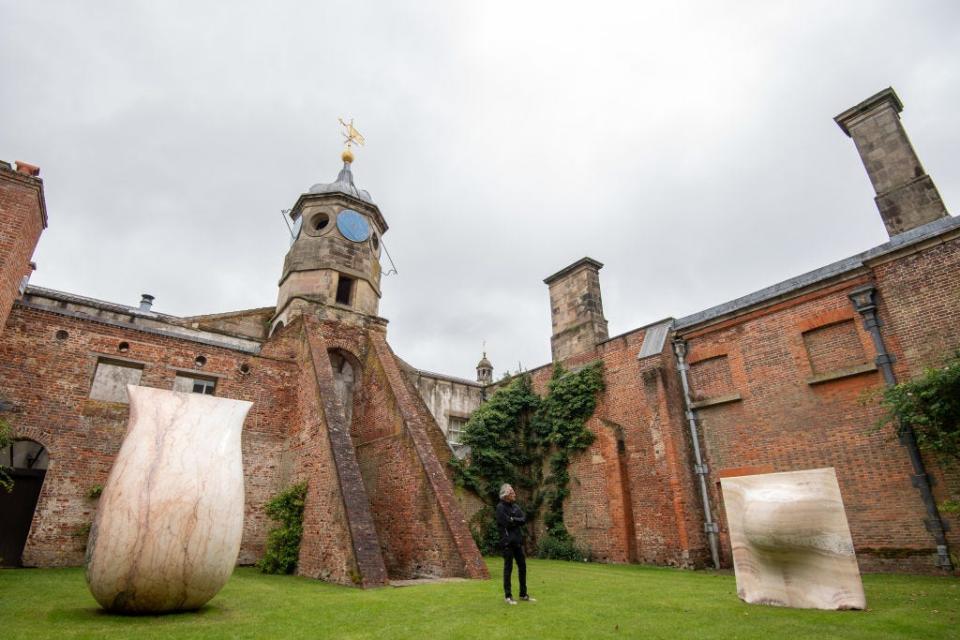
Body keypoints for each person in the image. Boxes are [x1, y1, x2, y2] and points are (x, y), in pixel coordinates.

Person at [495, 483, 535, 604]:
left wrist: (513, 519)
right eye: (512, 492)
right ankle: (508, 596)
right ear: (506, 495)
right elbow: (506, 523)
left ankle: (523, 594)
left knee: (522, 567)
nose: (514, 494)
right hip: (507, 542)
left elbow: (523, 520)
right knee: (508, 568)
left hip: (518, 542)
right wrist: (512, 520)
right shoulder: (500, 507)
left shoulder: (516, 507)